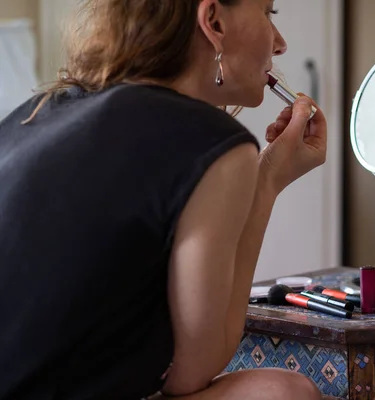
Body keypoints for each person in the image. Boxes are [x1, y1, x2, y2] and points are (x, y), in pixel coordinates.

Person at [0, 0, 328, 399]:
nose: (280, 44)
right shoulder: (211, 141)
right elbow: (189, 374)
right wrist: (267, 182)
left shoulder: (38, 110)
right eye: (268, 14)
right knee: (282, 391)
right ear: (213, 21)